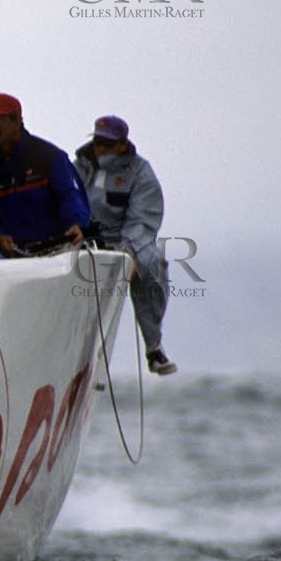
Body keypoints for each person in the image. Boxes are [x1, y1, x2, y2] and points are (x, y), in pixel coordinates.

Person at [74, 115, 177, 376]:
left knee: (152, 263)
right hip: (79, 237)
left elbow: (143, 220)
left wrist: (127, 254)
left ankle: (153, 346)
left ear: (122, 145)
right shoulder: (79, 167)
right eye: (97, 142)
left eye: (108, 144)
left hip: (123, 239)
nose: (101, 149)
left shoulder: (141, 174)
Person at [0, 92, 90, 256]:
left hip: (58, 251)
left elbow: (70, 195)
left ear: (16, 121)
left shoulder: (49, 157)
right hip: (9, 257)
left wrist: (76, 224)